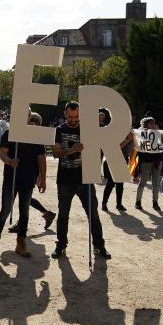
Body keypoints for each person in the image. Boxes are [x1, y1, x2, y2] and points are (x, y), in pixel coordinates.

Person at [51, 101, 110, 259]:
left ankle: (99, 246)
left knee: (93, 215)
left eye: (76, 116)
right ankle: (61, 245)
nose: (73, 119)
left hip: (85, 179)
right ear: (65, 114)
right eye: (70, 117)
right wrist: (72, 149)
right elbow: (55, 153)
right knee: (63, 215)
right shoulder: (59, 130)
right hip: (65, 179)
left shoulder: (87, 130)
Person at [0, 111, 47, 260]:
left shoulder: (36, 135)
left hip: (28, 179)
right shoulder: (9, 134)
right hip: (11, 179)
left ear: (29, 116)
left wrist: (43, 178)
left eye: (26, 115)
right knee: (5, 211)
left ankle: (21, 243)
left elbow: (41, 158)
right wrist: (9, 161)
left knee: (24, 212)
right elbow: (2, 153)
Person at [101, 109, 135, 212]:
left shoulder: (125, 130)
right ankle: (104, 203)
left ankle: (119, 204)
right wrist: (128, 139)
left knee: (120, 183)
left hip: (123, 158)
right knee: (111, 183)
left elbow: (133, 145)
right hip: (112, 158)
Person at [135, 117, 162, 211]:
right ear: (145, 124)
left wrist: (157, 132)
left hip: (156, 161)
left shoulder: (158, 133)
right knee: (142, 182)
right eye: (151, 123)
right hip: (146, 161)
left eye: (154, 123)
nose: (153, 125)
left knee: (156, 184)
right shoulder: (141, 133)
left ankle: (155, 202)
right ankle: (138, 202)